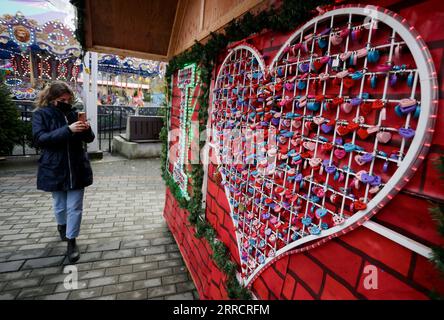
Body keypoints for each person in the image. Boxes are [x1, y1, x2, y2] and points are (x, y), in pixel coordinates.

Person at [32, 81, 95, 263]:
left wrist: (86, 129)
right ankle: (62, 226)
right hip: (54, 166)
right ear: (51, 98)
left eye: (68, 99)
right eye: (62, 99)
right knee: (59, 203)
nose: (66, 102)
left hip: (77, 166)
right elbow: (40, 139)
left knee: (74, 206)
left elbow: (89, 139)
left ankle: (71, 240)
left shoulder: (74, 113)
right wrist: (67, 130)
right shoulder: (41, 115)